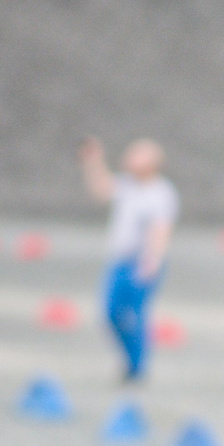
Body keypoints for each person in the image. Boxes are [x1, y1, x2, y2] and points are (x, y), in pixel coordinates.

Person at [77, 137, 178, 382]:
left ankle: (137, 366)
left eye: (137, 154)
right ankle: (129, 359)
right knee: (110, 313)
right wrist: (93, 161)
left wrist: (152, 260)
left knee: (136, 315)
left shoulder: (161, 193)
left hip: (142, 262)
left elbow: (161, 230)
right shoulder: (127, 185)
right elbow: (102, 190)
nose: (130, 158)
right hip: (119, 261)